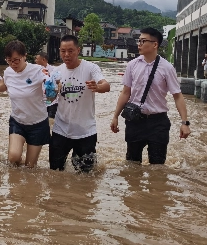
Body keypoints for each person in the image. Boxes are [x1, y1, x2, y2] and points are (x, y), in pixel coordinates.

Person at [110, 27, 191, 164]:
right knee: (132, 166)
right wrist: (115, 116)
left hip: (158, 123)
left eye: (143, 41)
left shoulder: (167, 68)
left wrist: (185, 123)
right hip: (134, 120)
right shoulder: (132, 65)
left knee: (158, 167)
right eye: (138, 40)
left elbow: (177, 96)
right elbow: (125, 92)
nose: (139, 44)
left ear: (155, 44)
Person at [49, 35, 110, 173]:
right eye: (63, 51)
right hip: (61, 129)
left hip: (85, 132)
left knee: (86, 177)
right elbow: (50, 99)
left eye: (70, 51)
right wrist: (50, 90)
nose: (66, 55)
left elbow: (106, 85)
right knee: (54, 173)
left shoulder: (90, 68)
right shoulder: (56, 72)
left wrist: (97, 87)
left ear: (78, 50)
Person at [0, 40, 50, 168]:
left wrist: (52, 84)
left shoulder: (38, 71)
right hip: (18, 121)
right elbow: (4, 84)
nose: (13, 64)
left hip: (38, 123)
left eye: (16, 60)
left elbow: (50, 85)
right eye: (9, 60)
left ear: (24, 56)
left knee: (30, 166)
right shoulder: (8, 72)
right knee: (13, 157)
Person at [35, 51, 57, 120]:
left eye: (36, 59)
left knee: (51, 120)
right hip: (40, 101)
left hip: (52, 100)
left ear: (43, 59)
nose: (35, 61)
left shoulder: (54, 70)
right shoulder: (34, 70)